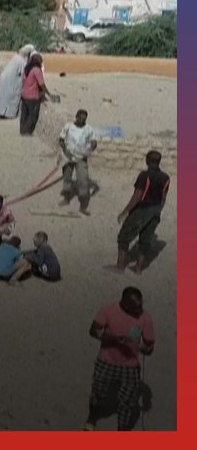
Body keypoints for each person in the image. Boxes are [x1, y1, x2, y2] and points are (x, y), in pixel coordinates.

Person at [83, 287, 155, 431]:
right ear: (124, 304)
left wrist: (144, 349)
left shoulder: (145, 318)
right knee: (98, 393)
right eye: (136, 307)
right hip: (107, 361)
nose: (140, 309)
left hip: (130, 366)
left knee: (127, 402)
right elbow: (93, 331)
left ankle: (122, 430)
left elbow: (149, 347)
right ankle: (91, 419)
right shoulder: (108, 310)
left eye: (141, 305)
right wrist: (114, 339)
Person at [112, 150, 170, 274]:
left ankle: (120, 266)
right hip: (155, 210)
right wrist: (158, 211)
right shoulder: (165, 178)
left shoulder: (144, 175)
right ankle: (138, 268)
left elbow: (137, 195)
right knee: (145, 238)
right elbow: (163, 197)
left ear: (147, 161)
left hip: (142, 210)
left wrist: (125, 211)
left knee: (124, 237)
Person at [59, 109, 98, 215]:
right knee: (67, 178)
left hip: (81, 158)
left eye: (84, 119)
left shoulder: (89, 129)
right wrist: (65, 150)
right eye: (80, 118)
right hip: (68, 157)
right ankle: (66, 199)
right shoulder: (68, 127)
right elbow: (61, 140)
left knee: (83, 180)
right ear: (76, 117)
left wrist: (91, 148)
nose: (82, 120)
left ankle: (83, 207)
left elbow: (94, 142)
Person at [18, 52, 57, 136]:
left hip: (24, 94)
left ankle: (22, 129)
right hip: (32, 96)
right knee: (33, 114)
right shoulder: (36, 70)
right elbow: (41, 84)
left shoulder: (27, 68)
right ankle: (26, 131)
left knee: (24, 113)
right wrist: (49, 94)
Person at [0, 44, 35, 119]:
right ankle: (8, 114)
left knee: (2, 97)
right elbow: (24, 74)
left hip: (5, 79)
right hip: (11, 82)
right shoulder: (22, 62)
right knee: (10, 98)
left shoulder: (16, 57)